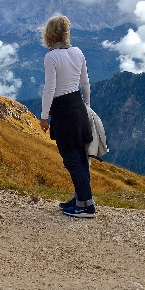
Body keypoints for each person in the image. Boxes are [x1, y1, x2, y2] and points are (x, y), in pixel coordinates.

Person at [39, 14, 95, 218]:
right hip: (78, 106)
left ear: (49, 34)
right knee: (81, 157)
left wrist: (44, 116)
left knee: (71, 160)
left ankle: (86, 206)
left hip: (62, 110)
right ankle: (80, 198)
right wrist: (86, 106)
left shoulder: (51, 57)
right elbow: (85, 83)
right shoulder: (77, 52)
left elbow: (50, 89)